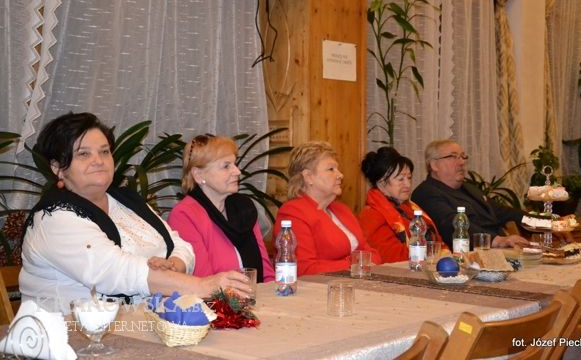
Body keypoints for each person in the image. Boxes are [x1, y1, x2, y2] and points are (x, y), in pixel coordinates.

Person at [19, 113, 250, 314]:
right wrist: (204, 286)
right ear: (58, 167)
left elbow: (179, 244)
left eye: (104, 151)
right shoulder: (54, 218)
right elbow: (116, 271)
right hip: (68, 334)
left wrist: (173, 265)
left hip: (143, 326)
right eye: (83, 154)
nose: (98, 161)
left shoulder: (126, 201)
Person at [167, 134, 274, 282]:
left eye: (234, 164)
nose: (237, 171)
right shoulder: (185, 215)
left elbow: (266, 272)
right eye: (226, 166)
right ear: (198, 175)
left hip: (257, 294)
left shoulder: (244, 207)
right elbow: (204, 282)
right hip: (214, 297)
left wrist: (274, 293)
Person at [273, 141, 380, 276]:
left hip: (352, 282)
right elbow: (303, 269)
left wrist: (357, 264)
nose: (340, 175)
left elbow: (373, 255)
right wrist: (354, 264)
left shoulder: (342, 210)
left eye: (337, 169)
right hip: (316, 287)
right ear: (308, 177)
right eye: (331, 169)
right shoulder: (293, 213)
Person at [411, 139, 529, 249]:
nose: (462, 162)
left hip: (497, 249)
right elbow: (451, 225)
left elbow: (502, 212)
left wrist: (536, 221)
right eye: (453, 157)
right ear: (434, 165)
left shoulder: (469, 188)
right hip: (466, 255)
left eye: (463, 157)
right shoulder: (426, 193)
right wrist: (497, 240)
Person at [359, 147, 446, 263]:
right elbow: (393, 257)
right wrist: (436, 254)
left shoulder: (409, 208)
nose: (408, 184)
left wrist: (443, 253)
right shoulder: (372, 215)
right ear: (381, 182)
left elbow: (439, 243)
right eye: (401, 179)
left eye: (409, 178)